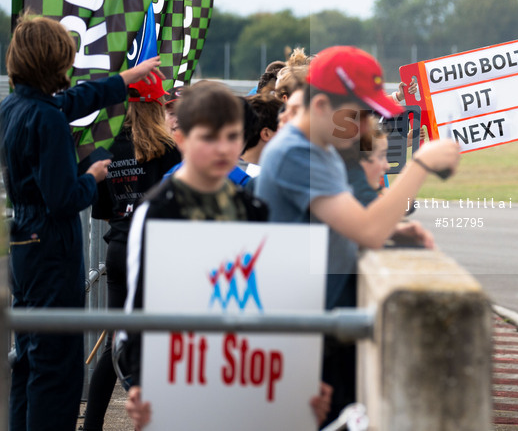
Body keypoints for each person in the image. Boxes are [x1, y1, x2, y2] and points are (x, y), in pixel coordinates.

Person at [255, 45, 460, 424]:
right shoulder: (296, 154)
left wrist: (394, 232)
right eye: (358, 113)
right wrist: (421, 163)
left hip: (316, 326)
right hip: (299, 334)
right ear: (319, 107)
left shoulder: (321, 148)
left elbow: (354, 221)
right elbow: (367, 230)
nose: (366, 124)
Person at [118, 81, 331, 428]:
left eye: (232, 137)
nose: (222, 149)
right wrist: (142, 382)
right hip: (180, 378)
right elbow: (139, 307)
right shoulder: (156, 211)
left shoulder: (254, 207)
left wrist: (302, 377)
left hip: (241, 375)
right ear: (181, 137)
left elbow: (274, 297)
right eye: (209, 137)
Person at [0, 12, 161, 431]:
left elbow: (72, 101)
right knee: (57, 366)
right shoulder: (49, 120)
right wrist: (91, 178)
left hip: (22, 246)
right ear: (56, 62)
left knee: (29, 358)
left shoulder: (13, 108)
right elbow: (63, 199)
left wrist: (124, 79)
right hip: (52, 249)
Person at [83, 75, 181, 431]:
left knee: (114, 341)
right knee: (160, 337)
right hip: (155, 249)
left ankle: (92, 423)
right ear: (158, 105)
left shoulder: (107, 148)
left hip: (120, 247)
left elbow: (103, 209)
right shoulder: (169, 147)